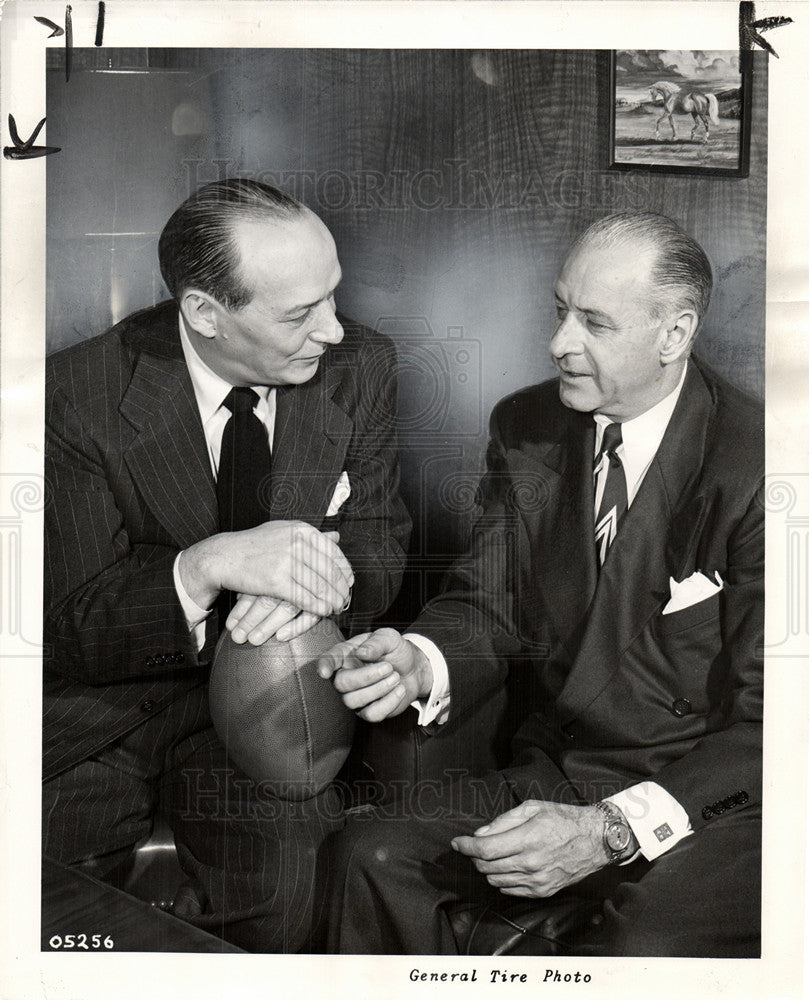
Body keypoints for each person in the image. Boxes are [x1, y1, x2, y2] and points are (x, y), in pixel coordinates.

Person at [318, 212, 763, 957]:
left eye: (593, 322)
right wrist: (419, 659)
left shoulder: (760, 467)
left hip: (709, 801)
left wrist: (612, 830)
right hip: (563, 773)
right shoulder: (527, 424)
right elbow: (486, 603)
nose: (559, 342)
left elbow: (774, 725)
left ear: (673, 333)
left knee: (639, 940)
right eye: (560, 311)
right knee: (370, 857)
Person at [42, 178, 411, 952]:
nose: (335, 331)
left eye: (332, 297)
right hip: (95, 720)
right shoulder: (73, 397)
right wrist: (205, 568)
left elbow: (377, 540)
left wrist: (321, 587)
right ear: (204, 312)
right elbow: (71, 625)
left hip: (274, 707)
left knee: (294, 896)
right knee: (52, 917)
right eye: (300, 313)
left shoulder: (361, 368)